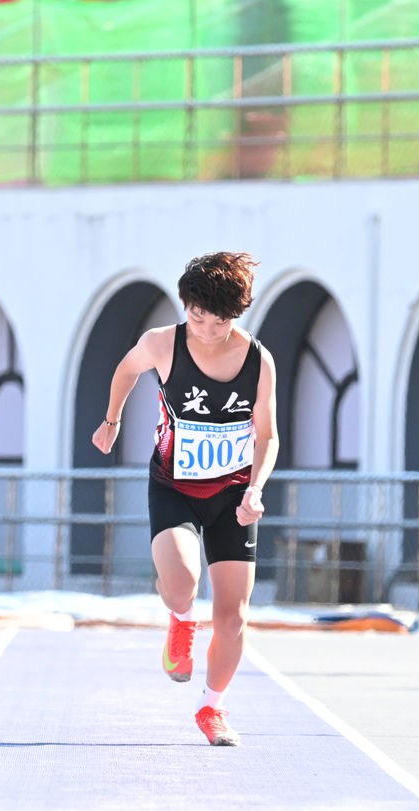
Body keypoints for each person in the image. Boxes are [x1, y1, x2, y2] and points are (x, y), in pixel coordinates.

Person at [92, 252, 278, 746]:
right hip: (174, 486)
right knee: (181, 585)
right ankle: (180, 619)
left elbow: (267, 434)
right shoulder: (161, 343)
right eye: (198, 317)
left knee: (233, 615)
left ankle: (212, 707)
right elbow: (125, 371)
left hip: (234, 493)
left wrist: (256, 489)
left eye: (221, 321)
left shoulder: (258, 361)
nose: (209, 331)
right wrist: (111, 421)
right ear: (184, 304)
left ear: (237, 314)